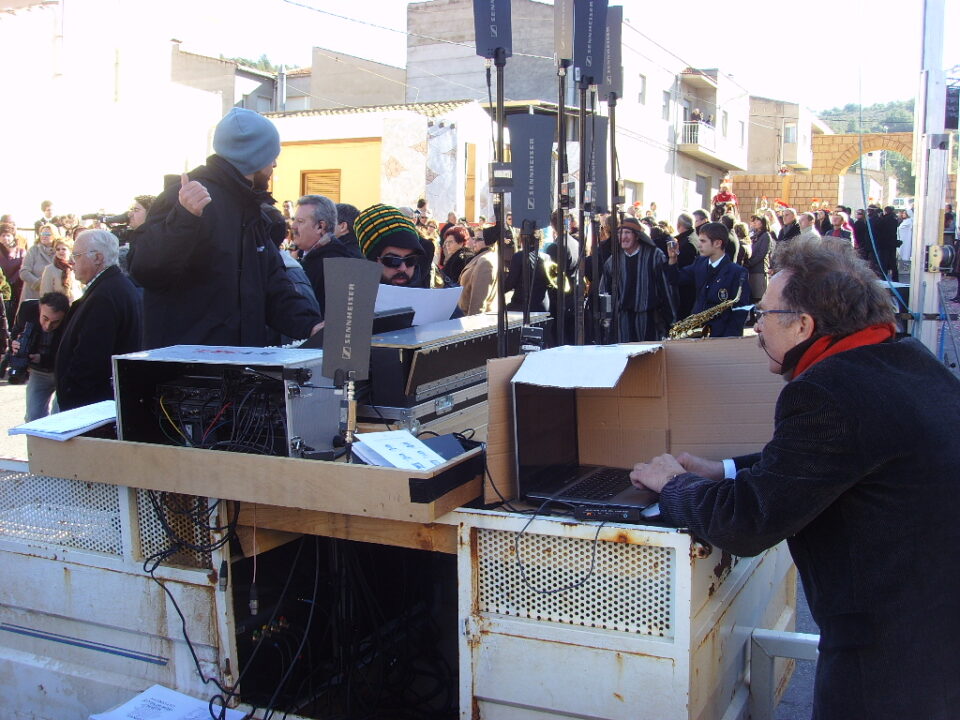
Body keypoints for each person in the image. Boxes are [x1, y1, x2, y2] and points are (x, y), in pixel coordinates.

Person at [630, 238, 960, 720]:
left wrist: (672, 483)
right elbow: (825, 461)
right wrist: (723, 470)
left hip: (891, 656)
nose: (757, 325)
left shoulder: (828, 390)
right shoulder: (904, 356)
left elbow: (747, 522)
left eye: (764, 314)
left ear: (803, 325)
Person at [129, 107, 323, 348]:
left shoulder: (250, 209)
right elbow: (145, 269)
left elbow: (273, 286)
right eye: (271, 156)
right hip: (189, 366)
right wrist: (184, 219)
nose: (274, 164)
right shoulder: (186, 197)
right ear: (254, 158)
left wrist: (311, 326)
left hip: (237, 363)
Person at [55, 230, 142, 411]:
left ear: (97, 258)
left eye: (76, 255)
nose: (71, 261)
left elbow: (91, 359)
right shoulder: (113, 288)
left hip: (90, 406)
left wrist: (73, 399)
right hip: (101, 401)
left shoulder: (105, 296)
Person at [664, 221, 751, 337]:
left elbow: (740, 311)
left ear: (718, 243)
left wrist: (729, 338)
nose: (699, 245)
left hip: (721, 335)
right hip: (697, 332)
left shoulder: (737, 272)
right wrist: (673, 259)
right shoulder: (700, 263)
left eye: (703, 241)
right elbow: (675, 279)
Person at [600, 216, 674, 342]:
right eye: (620, 233)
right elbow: (604, 291)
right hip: (623, 321)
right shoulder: (613, 260)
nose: (623, 237)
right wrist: (606, 319)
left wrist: (671, 320)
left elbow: (667, 288)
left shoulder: (654, 256)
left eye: (627, 233)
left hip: (649, 319)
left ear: (637, 236)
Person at [293, 194, 358, 316]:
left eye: (300, 222)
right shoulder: (312, 257)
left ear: (320, 226)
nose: (293, 226)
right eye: (294, 220)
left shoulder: (334, 264)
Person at [11, 292, 68, 420]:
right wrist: (14, 343)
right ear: (39, 308)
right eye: (45, 318)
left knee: (60, 418)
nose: (48, 326)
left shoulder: (72, 318)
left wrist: (43, 358)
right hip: (38, 373)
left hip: (63, 373)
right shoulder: (27, 310)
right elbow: (15, 332)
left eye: (55, 322)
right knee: (33, 417)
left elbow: (72, 352)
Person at [355, 203, 426, 287]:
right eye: (393, 261)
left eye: (411, 260)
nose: (403, 268)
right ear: (372, 261)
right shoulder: (351, 292)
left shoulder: (426, 293)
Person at [456, 223, 500, 315]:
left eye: (478, 239)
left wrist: (472, 321)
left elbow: (478, 303)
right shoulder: (483, 257)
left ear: (489, 241)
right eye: (474, 238)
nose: (474, 242)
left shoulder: (485, 262)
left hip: (472, 317)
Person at [20, 223, 57, 305]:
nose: (44, 236)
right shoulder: (33, 250)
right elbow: (24, 272)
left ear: (54, 235)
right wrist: (39, 284)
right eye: (42, 234)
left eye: (47, 234)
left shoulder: (59, 251)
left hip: (52, 296)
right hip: (32, 295)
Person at [40, 236, 83, 303]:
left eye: (64, 249)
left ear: (70, 251)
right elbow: (45, 294)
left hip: (77, 305)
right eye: (58, 249)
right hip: (59, 306)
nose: (60, 251)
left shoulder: (76, 267)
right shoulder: (50, 269)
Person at [745, 215, 772, 302]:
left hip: (759, 270)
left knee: (759, 297)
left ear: (763, 223)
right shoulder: (755, 235)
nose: (755, 222)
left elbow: (761, 254)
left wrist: (750, 263)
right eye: (754, 221)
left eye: (757, 220)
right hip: (752, 270)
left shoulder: (766, 236)